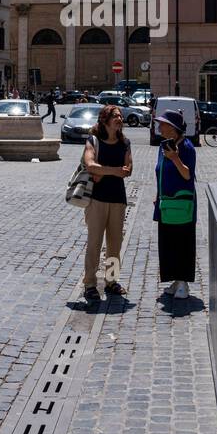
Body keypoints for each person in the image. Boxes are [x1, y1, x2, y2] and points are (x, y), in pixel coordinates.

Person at [81, 105, 132, 303]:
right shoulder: (93, 140)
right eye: (115, 116)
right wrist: (113, 171)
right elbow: (90, 165)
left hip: (118, 199)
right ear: (105, 120)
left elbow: (128, 169)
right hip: (97, 200)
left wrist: (105, 171)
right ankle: (90, 284)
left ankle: (111, 281)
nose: (119, 119)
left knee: (115, 244)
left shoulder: (125, 143)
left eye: (120, 116)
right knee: (94, 243)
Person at [152, 109, 197, 300]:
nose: (159, 126)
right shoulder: (163, 147)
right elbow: (160, 172)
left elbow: (187, 175)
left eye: (163, 124)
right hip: (166, 202)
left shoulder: (186, 147)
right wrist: (158, 195)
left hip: (182, 203)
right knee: (168, 242)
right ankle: (175, 280)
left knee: (183, 242)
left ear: (173, 128)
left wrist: (175, 158)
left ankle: (183, 282)